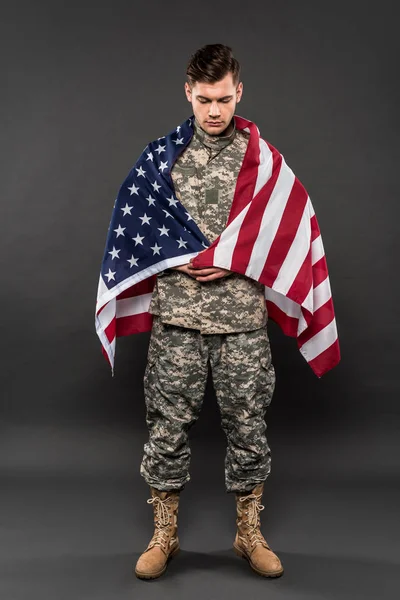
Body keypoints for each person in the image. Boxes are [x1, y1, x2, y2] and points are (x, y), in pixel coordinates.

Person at [134, 43, 284, 580]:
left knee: (248, 424)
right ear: (187, 93)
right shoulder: (162, 158)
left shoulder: (261, 161)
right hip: (178, 317)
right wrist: (188, 257)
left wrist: (233, 260)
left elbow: (281, 232)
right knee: (167, 425)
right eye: (203, 100)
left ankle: (248, 533)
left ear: (238, 92)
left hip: (241, 318)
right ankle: (165, 534)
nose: (214, 111)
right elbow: (142, 234)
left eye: (223, 99)